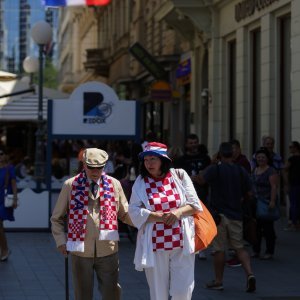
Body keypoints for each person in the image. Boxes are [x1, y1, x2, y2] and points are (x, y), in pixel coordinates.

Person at [51, 148, 133, 300]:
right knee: (82, 295)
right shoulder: (70, 185)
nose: (95, 171)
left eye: (99, 167)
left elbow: (125, 214)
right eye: (91, 167)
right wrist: (61, 241)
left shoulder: (114, 184)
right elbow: (56, 218)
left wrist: (145, 223)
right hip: (80, 251)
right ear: (83, 165)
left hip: (108, 249)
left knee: (112, 294)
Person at [128, 142, 202, 300]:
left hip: (182, 242)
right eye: (146, 160)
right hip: (154, 244)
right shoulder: (141, 182)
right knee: (158, 294)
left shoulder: (179, 175)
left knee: (183, 290)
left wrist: (177, 213)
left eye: (153, 159)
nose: (149, 164)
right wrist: (156, 216)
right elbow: (133, 211)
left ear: (163, 160)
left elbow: (195, 205)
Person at [198, 142, 256, 292]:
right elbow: (249, 193)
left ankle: (218, 281)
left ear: (220, 154)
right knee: (239, 247)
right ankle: (250, 274)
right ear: (233, 154)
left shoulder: (215, 169)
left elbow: (201, 180)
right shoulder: (241, 171)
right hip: (236, 214)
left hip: (219, 215)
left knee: (219, 249)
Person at [252, 147, 280, 259]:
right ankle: (256, 250)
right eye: (259, 157)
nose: (261, 159)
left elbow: (274, 187)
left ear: (267, 159)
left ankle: (269, 251)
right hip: (256, 202)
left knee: (268, 228)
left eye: (263, 157)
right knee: (256, 228)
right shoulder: (255, 170)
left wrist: (272, 201)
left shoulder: (271, 171)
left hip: (267, 202)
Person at [0, 149, 18, 261]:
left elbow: (14, 184)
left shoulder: (9, 168)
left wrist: (15, 198)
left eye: (1, 154)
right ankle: (4, 249)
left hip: (4, 199)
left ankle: (5, 249)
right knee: (0, 226)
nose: (0, 156)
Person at [283, 141, 300, 231]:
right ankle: (295, 222)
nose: (289, 149)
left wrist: (287, 183)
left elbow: (284, 170)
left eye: (291, 147)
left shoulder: (292, 159)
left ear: (296, 148)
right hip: (296, 183)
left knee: (293, 203)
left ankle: (293, 223)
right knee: (296, 203)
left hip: (294, 183)